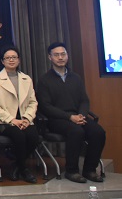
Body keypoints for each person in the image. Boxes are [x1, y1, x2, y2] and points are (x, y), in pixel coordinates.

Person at [36, 42, 106, 183]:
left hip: (78, 116)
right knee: (76, 131)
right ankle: (72, 171)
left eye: (63, 54)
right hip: (57, 119)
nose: (60, 57)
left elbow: (84, 100)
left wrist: (81, 115)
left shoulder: (76, 78)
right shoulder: (44, 80)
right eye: (56, 55)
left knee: (98, 132)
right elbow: (45, 107)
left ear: (67, 56)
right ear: (50, 57)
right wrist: (69, 117)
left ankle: (90, 170)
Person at [0, 47, 39, 183]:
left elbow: (33, 102)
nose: (11, 60)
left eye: (14, 57)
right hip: (3, 121)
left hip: (24, 120)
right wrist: (12, 120)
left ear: (19, 60)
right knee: (19, 136)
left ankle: (16, 165)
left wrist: (27, 118)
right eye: (7, 58)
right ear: (2, 61)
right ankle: (23, 169)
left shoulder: (26, 79)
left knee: (34, 136)